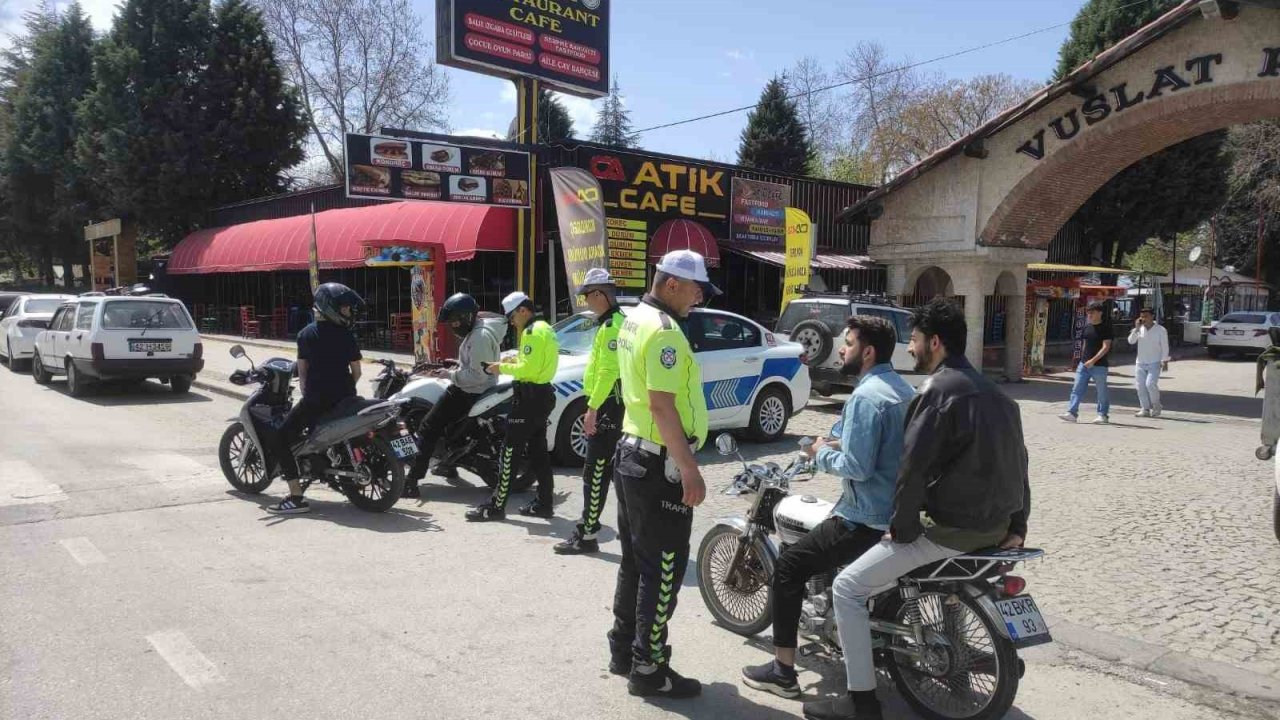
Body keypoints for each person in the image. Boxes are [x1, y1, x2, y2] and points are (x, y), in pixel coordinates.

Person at [803, 298, 1030, 720]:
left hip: (949, 529)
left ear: (936, 342)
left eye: (917, 340)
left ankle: (862, 702)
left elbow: (913, 469)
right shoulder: (999, 395)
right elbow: (1020, 464)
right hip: (995, 528)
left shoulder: (936, 391)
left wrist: (902, 527)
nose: (911, 348)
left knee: (847, 588)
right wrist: (1018, 524)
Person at [740, 316, 914, 699]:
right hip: (898, 511)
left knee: (788, 567)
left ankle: (783, 671)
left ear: (867, 352)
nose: (841, 349)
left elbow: (857, 467)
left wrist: (819, 455)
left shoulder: (866, 398)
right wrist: (835, 442)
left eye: (848, 343)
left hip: (864, 517)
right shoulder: (902, 389)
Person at [606, 249, 717, 700]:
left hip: (633, 454)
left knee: (636, 562)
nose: (700, 298)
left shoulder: (633, 319)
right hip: (659, 465)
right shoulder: (666, 332)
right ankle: (649, 669)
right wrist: (690, 471)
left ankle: (623, 650)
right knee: (663, 570)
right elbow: (662, 405)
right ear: (671, 284)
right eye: (696, 289)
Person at [266, 283, 365, 515]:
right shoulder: (347, 335)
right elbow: (357, 372)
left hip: (316, 401)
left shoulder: (305, 335)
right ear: (331, 308)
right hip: (347, 399)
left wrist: (309, 392)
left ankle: (296, 496)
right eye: (345, 309)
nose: (348, 313)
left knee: (280, 438)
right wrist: (346, 388)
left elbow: (302, 374)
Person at [465, 291, 559, 521]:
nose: (512, 322)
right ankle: (544, 504)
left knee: (509, 452)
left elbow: (528, 370)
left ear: (523, 310)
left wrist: (500, 369)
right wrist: (507, 361)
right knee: (539, 455)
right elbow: (533, 363)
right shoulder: (545, 328)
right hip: (541, 396)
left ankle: (496, 507)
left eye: (512, 317)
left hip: (529, 399)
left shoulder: (532, 332)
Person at [403, 292, 500, 499]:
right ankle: (448, 465)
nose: (453, 325)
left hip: (470, 391)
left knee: (429, 426)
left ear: (467, 317)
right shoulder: (476, 332)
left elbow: (477, 375)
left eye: (455, 321)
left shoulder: (479, 337)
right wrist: (452, 366)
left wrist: (450, 375)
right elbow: (475, 365)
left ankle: (412, 481)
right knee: (446, 427)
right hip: (472, 388)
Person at [556, 269, 625, 555]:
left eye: (587, 296)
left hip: (609, 404)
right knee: (615, 471)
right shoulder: (614, 322)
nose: (585, 301)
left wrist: (593, 409)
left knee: (595, 472)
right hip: (613, 404)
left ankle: (587, 535)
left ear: (600, 294)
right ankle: (627, 528)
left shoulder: (612, 327)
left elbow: (608, 371)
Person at [1060, 301, 1113, 425]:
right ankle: (1072, 413)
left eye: (1092, 312)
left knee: (1101, 391)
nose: (1089, 315)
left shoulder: (1106, 327)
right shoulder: (1087, 327)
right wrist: (1081, 360)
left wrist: (1093, 360)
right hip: (1083, 364)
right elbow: (1085, 344)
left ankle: (1102, 414)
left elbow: (1106, 347)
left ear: (1100, 313)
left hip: (1099, 365)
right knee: (1076, 389)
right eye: (1088, 312)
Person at [1128, 307, 1170, 418]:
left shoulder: (1161, 330)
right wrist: (1136, 329)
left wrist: (1165, 361)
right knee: (1140, 386)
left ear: (1152, 316)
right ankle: (1145, 408)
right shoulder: (1139, 329)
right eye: (1142, 316)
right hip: (1140, 362)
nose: (1143, 318)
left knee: (1150, 384)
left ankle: (1156, 406)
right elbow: (1131, 341)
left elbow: (1165, 346)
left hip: (1154, 362)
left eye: (1146, 316)